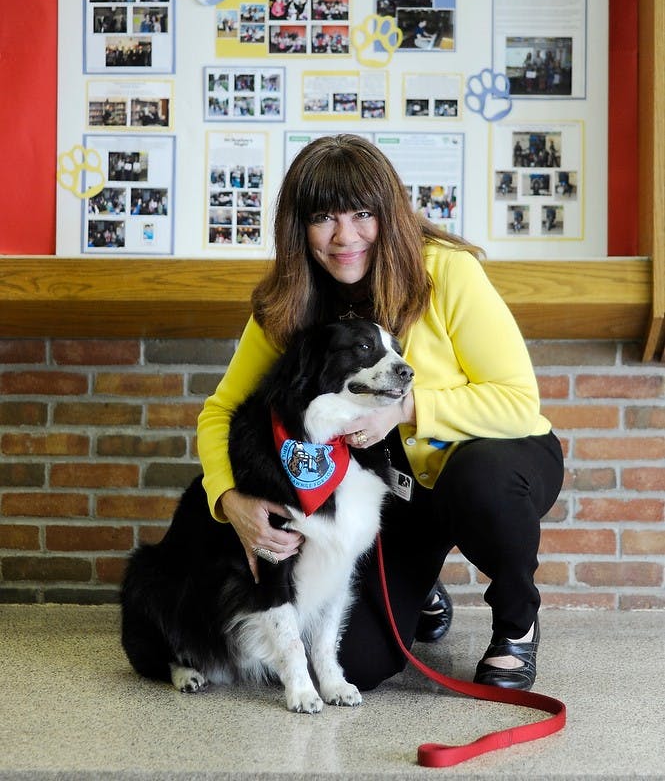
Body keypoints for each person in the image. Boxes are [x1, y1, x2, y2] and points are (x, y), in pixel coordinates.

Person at [197, 134, 564, 692]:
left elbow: (517, 400)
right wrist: (230, 500)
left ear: (388, 214)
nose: (345, 237)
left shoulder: (448, 271)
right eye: (323, 217)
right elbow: (220, 412)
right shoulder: (290, 299)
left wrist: (407, 408)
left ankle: (517, 621)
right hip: (394, 497)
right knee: (360, 665)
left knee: (480, 483)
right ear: (299, 227)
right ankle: (422, 589)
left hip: (491, 457)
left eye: (363, 213)